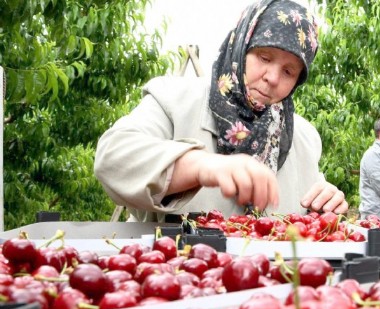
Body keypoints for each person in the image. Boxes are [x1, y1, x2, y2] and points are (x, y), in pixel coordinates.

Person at [94, 0, 347, 222]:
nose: (272, 77)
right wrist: (203, 166)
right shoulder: (174, 99)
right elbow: (112, 156)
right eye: (264, 58)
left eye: (289, 71)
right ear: (240, 46)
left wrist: (327, 201)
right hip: (176, 272)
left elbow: (312, 197)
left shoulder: (303, 137)